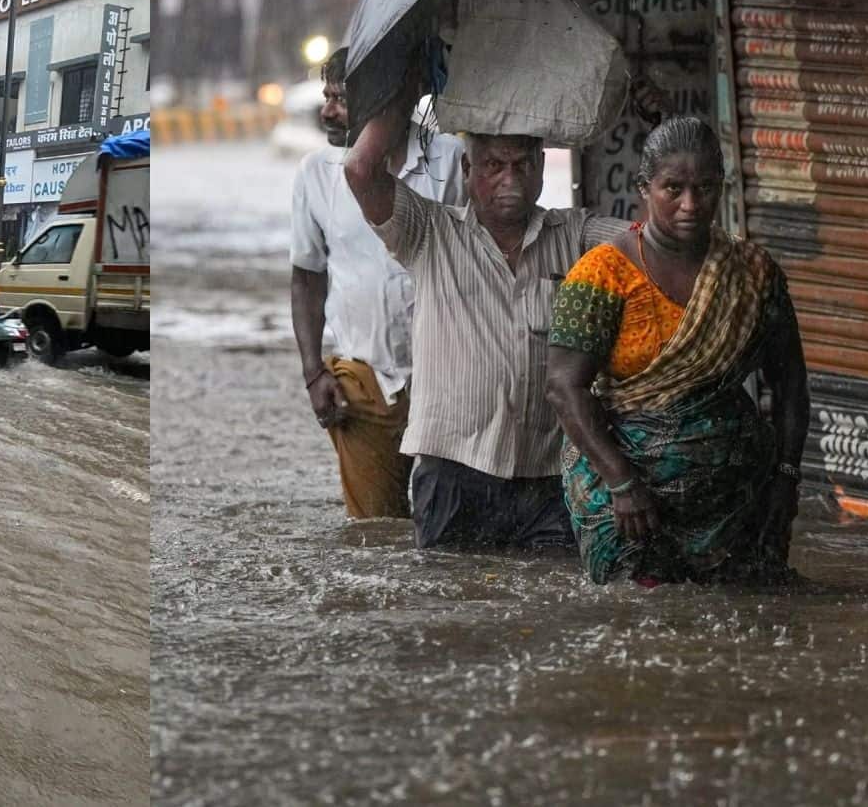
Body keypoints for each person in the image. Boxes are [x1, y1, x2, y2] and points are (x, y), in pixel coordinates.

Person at [343, 65, 628, 551]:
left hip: (546, 482)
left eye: (522, 164)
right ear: (468, 172)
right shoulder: (430, 233)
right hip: (452, 476)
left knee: (547, 612)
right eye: (494, 166)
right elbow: (360, 170)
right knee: (453, 612)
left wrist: (656, 115)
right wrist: (407, 86)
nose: (510, 179)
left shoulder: (576, 236)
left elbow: (653, 247)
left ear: (541, 168)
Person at [545, 117, 810, 586]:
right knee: (637, 618)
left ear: (722, 188)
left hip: (734, 497)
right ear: (644, 188)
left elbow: (789, 384)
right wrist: (622, 483)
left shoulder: (753, 274)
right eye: (674, 189)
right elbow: (565, 388)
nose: (691, 204)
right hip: (626, 499)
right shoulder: (602, 274)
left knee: (748, 621)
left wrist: (786, 480)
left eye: (705, 188)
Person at [291, 48, 466, 520]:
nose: (326, 110)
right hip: (362, 382)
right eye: (327, 97)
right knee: (374, 536)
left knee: (446, 537)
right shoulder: (316, 174)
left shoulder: (450, 161)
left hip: (448, 381)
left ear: (384, 99)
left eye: (341, 99)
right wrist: (313, 372)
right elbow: (307, 276)